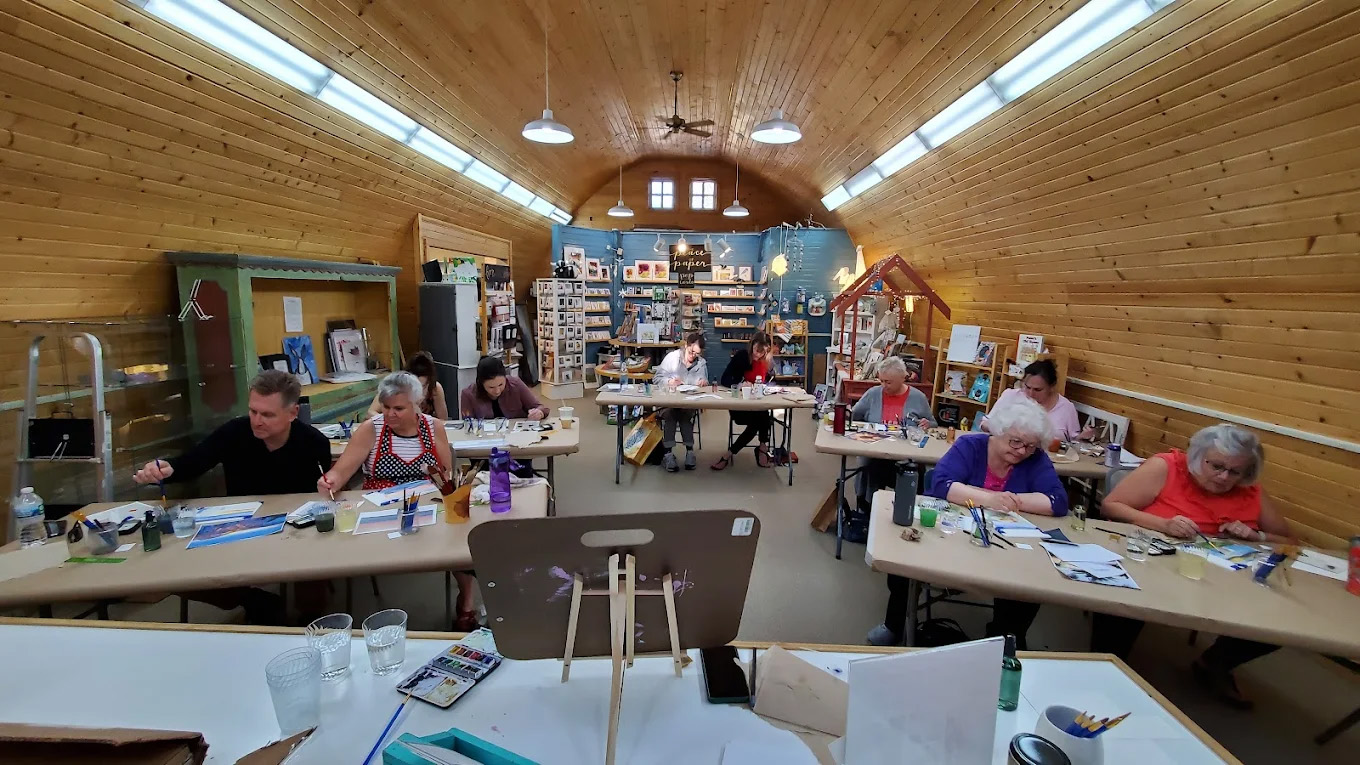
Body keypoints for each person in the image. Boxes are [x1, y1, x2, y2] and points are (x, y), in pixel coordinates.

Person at [1096, 423, 1291, 708]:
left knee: (1280, 620)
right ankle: (1105, 668)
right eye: (1217, 466)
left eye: (1235, 472)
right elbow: (1111, 506)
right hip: (1153, 565)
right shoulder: (1167, 468)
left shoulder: (1250, 491)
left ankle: (1215, 662)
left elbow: (1288, 539)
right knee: (1122, 599)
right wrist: (1164, 523)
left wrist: (1255, 535)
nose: (1225, 477)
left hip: (1221, 578)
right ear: (1198, 456)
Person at [866, 397, 1067, 647]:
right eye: (1015, 442)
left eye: (1030, 446)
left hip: (1006, 544)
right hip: (949, 534)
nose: (1022, 451)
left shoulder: (1034, 459)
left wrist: (1012, 501)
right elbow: (941, 484)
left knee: (1027, 580)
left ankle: (1005, 637)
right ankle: (895, 623)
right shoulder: (970, 446)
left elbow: (1057, 501)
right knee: (904, 564)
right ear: (997, 432)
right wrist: (990, 499)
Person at [132, 370, 330, 623]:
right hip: (239, 528)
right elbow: (194, 462)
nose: (257, 421)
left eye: (267, 414)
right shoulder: (234, 432)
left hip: (296, 532)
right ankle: (253, 600)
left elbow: (320, 498)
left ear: (292, 413)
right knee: (173, 572)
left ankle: (307, 621)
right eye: (253, 411)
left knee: (315, 568)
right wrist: (167, 469)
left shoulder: (314, 443)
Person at [322, 373, 478, 631]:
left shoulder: (433, 427)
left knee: (458, 540)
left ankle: (467, 604)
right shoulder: (370, 430)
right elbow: (342, 471)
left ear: (417, 404)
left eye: (398, 408)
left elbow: (445, 474)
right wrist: (331, 480)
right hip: (379, 507)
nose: (390, 414)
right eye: (385, 408)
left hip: (426, 502)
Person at [851, 356, 935, 506]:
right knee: (871, 466)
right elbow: (854, 415)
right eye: (881, 381)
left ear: (903, 378)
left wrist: (926, 424)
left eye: (888, 382)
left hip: (907, 453)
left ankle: (911, 506)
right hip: (876, 450)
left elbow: (933, 424)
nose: (884, 385)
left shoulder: (918, 397)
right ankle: (868, 507)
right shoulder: (873, 393)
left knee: (917, 471)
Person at [980, 359, 1094, 442]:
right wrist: (1003, 428)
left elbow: (1074, 441)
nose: (1030, 393)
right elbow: (984, 424)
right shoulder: (1010, 396)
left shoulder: (1066, 407)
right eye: (1027, 387)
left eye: (1038, 390)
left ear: (1052, 387)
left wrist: (1083, 436)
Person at [711, 332, 776, 470]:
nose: (758, 355)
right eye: (756, 350)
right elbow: (725, 379)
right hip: (740, 406)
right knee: (763, 419)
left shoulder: (766, 360)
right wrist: (740, 384)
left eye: (762, 352)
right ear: (752, 344)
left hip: (757, 404)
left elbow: (767, 380)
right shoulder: (742, 356)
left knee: (763, 415)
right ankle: (762, 449)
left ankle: (729, 454)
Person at [653, 332, 709, 472]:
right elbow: (656, 379)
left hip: (687, 402)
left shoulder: (701, 363)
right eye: (691, 352)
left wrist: (704, 383)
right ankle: (668, 454)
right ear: (686, 346)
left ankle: (690, 452)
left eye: (696, 354)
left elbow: (705, 385)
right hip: (668, 401)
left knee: (685, 415)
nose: (693, 356)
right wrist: (669, 381)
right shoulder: (672, 358)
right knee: (670, 415)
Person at [459, 356, 549, 420]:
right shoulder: (468, 394)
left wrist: (538, 413)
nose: (497, 391)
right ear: (480, 383)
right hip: (484, 440)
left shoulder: (516, 384)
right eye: (491, 387)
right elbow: (467, 422)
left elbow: (541, 408)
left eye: (501, 385)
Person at [369, 351, 448, 420]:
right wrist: (391, 419)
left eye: (422, 387)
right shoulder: (396, 387)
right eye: (414, 387)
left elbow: (443, 420)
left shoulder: (435, 389)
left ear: (429, 383)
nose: (418, 392)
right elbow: (370, 413)